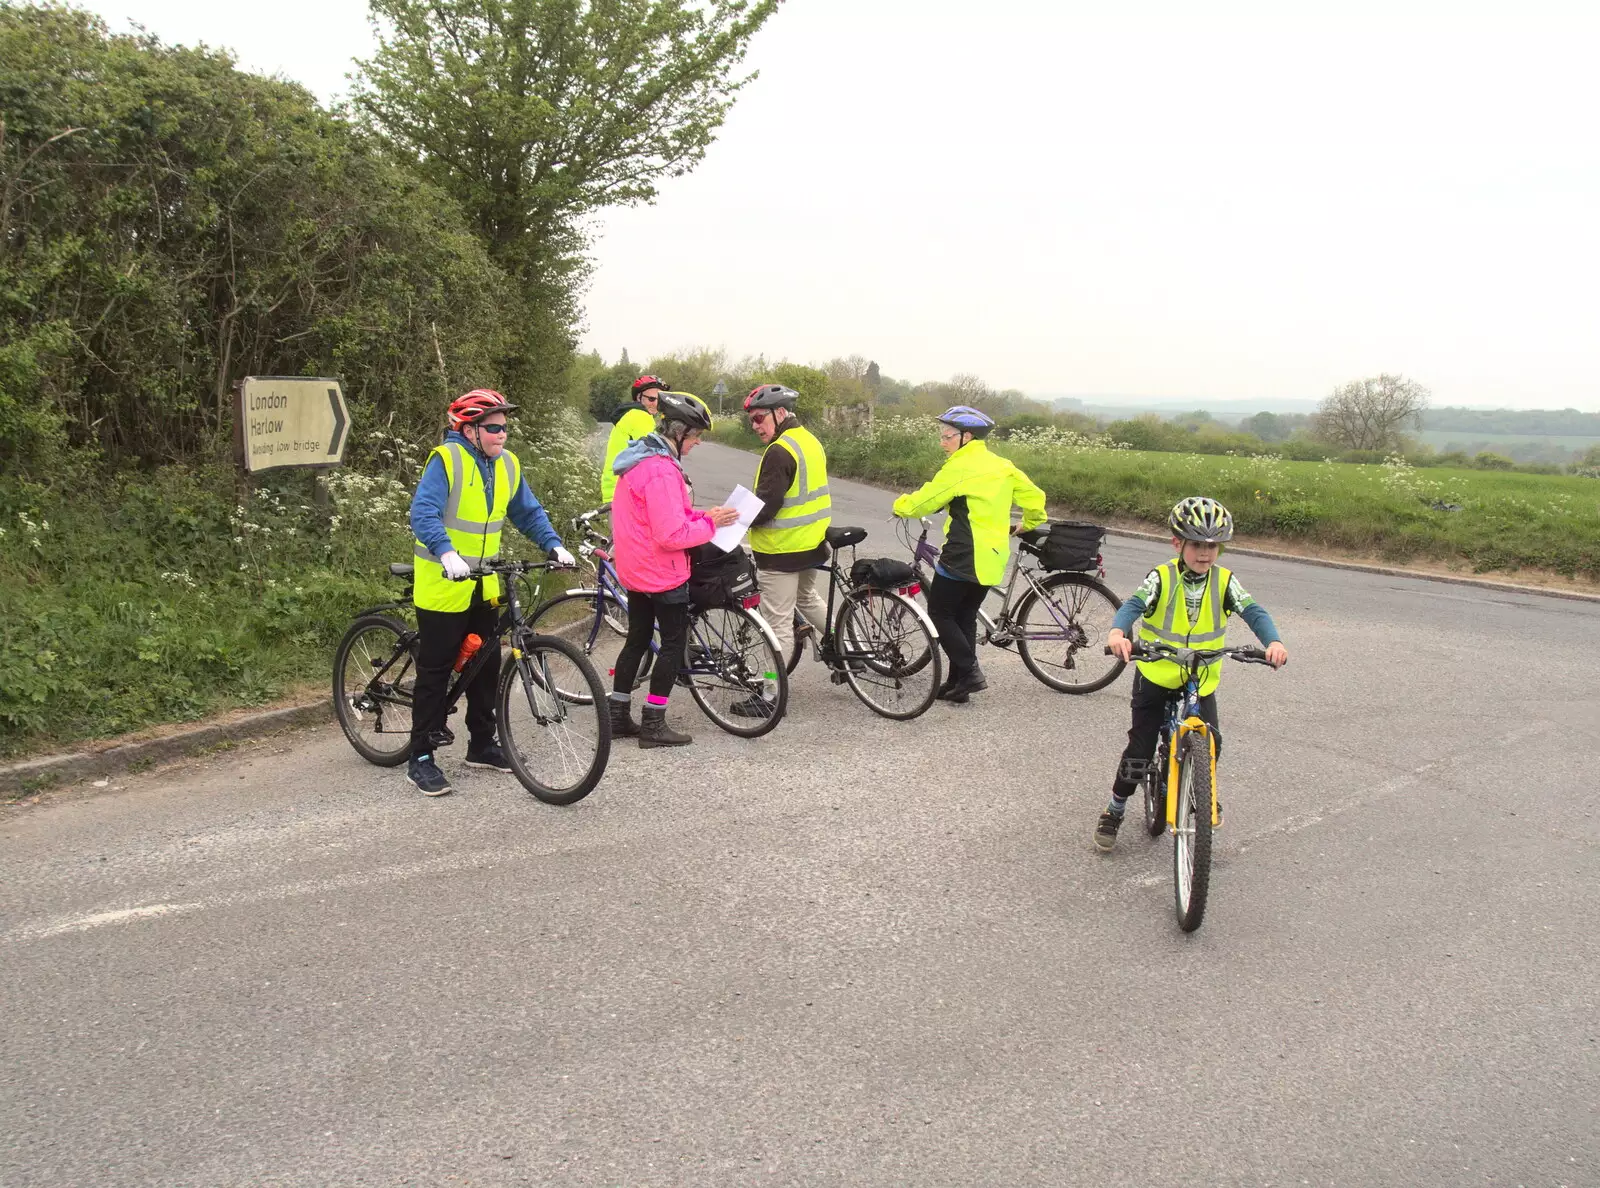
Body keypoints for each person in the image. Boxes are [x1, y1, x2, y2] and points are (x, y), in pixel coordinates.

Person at [407, 389, 576, 797]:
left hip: (484, 582)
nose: (503, 433)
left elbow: (527, 511)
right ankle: (421, 757)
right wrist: (445, 551)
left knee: (485, 666)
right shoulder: (446, 459)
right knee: (436, 669)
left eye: (505, 426)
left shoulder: (507, 464)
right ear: (469, 430)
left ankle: (480, 744)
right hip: (443, 582)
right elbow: (423, 512)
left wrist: (552, 544)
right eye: (494, 427)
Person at [1095, 496, 1288, 851]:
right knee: (1140, 750)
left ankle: (1201, 790)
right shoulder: (1161, 577)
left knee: (1211, 743)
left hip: (1199, 679)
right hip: (1156, 674)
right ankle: (1114, 809)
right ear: (1177, 543)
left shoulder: (1225, 581)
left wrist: (1272, 641)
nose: (1205, 554)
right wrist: (1118, 633)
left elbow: (1253, 611)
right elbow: (1133, 606)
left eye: (1213, 546)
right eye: (1197, 544)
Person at [608, 393, 739, 747]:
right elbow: (671, 535)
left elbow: (664, 519)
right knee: (673, 644)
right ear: (679, 432)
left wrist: (705, 516)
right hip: (661, 572)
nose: (696, 443)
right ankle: (653, 723)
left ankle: (618, 716)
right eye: (695, 436)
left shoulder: (640, 461)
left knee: (636, 640)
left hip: (636, 570)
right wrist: (710, 527)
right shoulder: (662, 471)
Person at [891, 406, 1046, 703]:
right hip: (993, 555)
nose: (943, 441)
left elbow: (925, 501)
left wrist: (899, 506)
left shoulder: (961, 466)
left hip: (965, 554)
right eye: (942, 435)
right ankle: (959, 684)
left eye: (948, 435)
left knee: (939, 613)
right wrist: (1028, 524)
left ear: (967, 436)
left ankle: (971, 672)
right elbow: (1036, 498)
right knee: (963, 615)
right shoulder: (1002, 465)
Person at [737, 383, 831, 714]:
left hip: (781, 552)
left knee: (775, 623)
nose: (755, 426)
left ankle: (770, 695)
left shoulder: (779, 451)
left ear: (779, 413)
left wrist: (738, 521)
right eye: (751, 420)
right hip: (811, 545)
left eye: (759, 418)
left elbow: (768, 505)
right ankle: (849, 651)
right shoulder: (808, 440)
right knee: (808, 599)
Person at [600, 375, 666, 503]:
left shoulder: (629, 414)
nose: (656, 404)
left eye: (659, 400)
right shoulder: (640, 416)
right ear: (638, 397)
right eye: (651, 399)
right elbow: (653, 453)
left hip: (614, 487)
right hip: (625, 491)